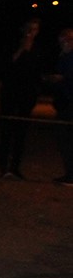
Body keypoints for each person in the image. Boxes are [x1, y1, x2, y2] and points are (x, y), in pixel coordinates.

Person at [0, 19, 43, 179]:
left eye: (35, 29)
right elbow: (7, 64)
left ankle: (15, 167)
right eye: (30, 28)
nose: (32, 32)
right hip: (10, 93)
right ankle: (3, 166)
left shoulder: (37, 48)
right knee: (6, 130)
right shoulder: (14, 43)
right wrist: (21, 49)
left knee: (21, 132)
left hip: (27, 94)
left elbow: (37, 70)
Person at [53, 28, 73, 185]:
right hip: (64, 101)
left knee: (65, 138)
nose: (63, 44)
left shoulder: (68, 57)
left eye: (65, 40)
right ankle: (69, 173)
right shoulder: (64, 56)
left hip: (69, 102)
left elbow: (65, 76)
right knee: (63, 138)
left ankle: (71, 175)